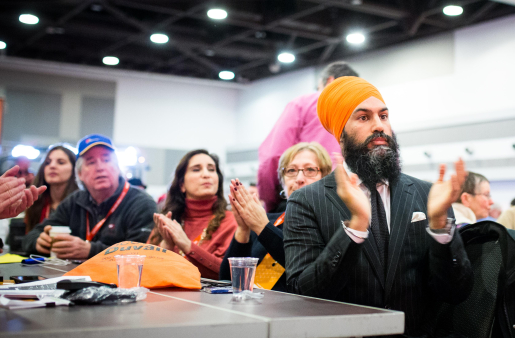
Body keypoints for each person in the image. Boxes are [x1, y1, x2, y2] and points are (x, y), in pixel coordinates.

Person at [284, 77, 515, 338]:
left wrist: (440, 230)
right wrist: (354, 228)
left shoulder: (425, 193)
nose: (379, 126)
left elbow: (456, 292)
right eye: (363, 118)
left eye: (384, 116)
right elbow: (303, 294)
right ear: (340, 133)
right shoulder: (307, 201)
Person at [21, 134, 156, 259]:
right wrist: (39, 241)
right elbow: (30, 237)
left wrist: (90, 250)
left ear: (117, 168)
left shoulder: (141, 203)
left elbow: (142, 254)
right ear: (80, 174)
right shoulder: (75, 201)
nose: (100, 167)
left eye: (106, 160)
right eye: (91, 162)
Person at [219, 142, 332, 291]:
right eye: (291, 170)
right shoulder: (268, 221)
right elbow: (227, 280)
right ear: (283, 181)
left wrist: (263, 227)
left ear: (325, 179)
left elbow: (307, 272)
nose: (299, 178)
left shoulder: (332, 222)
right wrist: (243, 229)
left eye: (310, 170)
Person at [257, 62, 359, 213]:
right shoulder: (367, 114)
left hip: (304, 198)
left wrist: (271, 204)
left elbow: (273, 157)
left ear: (330, 81)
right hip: (350, 205)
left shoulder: (304, 104)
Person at [148, 150, 246, 279]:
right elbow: (145, 270)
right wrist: (167, 246)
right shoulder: (169, 221)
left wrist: (188, 246)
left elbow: (231, 274)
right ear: (182, 184)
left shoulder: (231, 221)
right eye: (196, 169)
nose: (206, 175)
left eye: (211, 169)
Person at [24, 145, 79, 232]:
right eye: (47, 162)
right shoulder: (34, 202)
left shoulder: (82, 204)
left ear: (75, 169)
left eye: (61, 162)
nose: (52, 166)